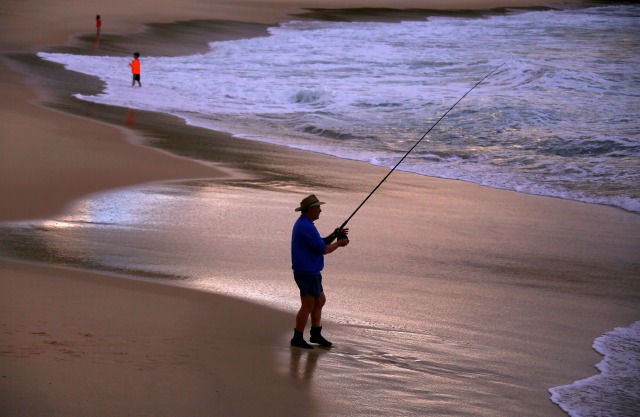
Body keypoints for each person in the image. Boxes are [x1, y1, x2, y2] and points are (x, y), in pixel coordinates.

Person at [291, 194, 349, 349]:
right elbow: (324, 249)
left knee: (320, 300)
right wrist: (339, 244)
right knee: (308, 305)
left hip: (311, 271)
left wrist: (334, 235)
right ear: (310, 209)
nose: (320, 210)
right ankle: (297, 337)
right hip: (307, 272)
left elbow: (319, 243)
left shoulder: (306, 224)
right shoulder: (306, 226)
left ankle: (315, 334)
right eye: (318, 208)